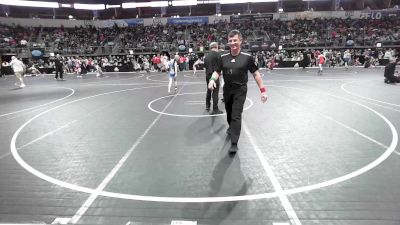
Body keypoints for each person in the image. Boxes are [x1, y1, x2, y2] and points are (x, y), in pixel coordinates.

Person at [208, 30, 267, 153]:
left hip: (240, 89)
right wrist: (212, 80)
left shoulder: (247, 58)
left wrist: (263, 91)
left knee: (236, 115)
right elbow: (217, 71)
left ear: (240, 41)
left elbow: (256, 74)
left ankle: (234, 142)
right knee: (229, 113)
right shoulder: (222, 57)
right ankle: (231, 128)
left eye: (235, 40)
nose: (233, 43)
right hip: (227, 90)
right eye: (230, 41)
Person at [204, 42, 223, 114]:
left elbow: (205, 67)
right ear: (217, 47)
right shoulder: (219, 55)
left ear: (210, 48)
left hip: (207, 75)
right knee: (215, 92)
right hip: (214, 75)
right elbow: (220, 66)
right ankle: (215, 109)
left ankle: (207, 105)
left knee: (209, 90)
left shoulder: (206, 56)